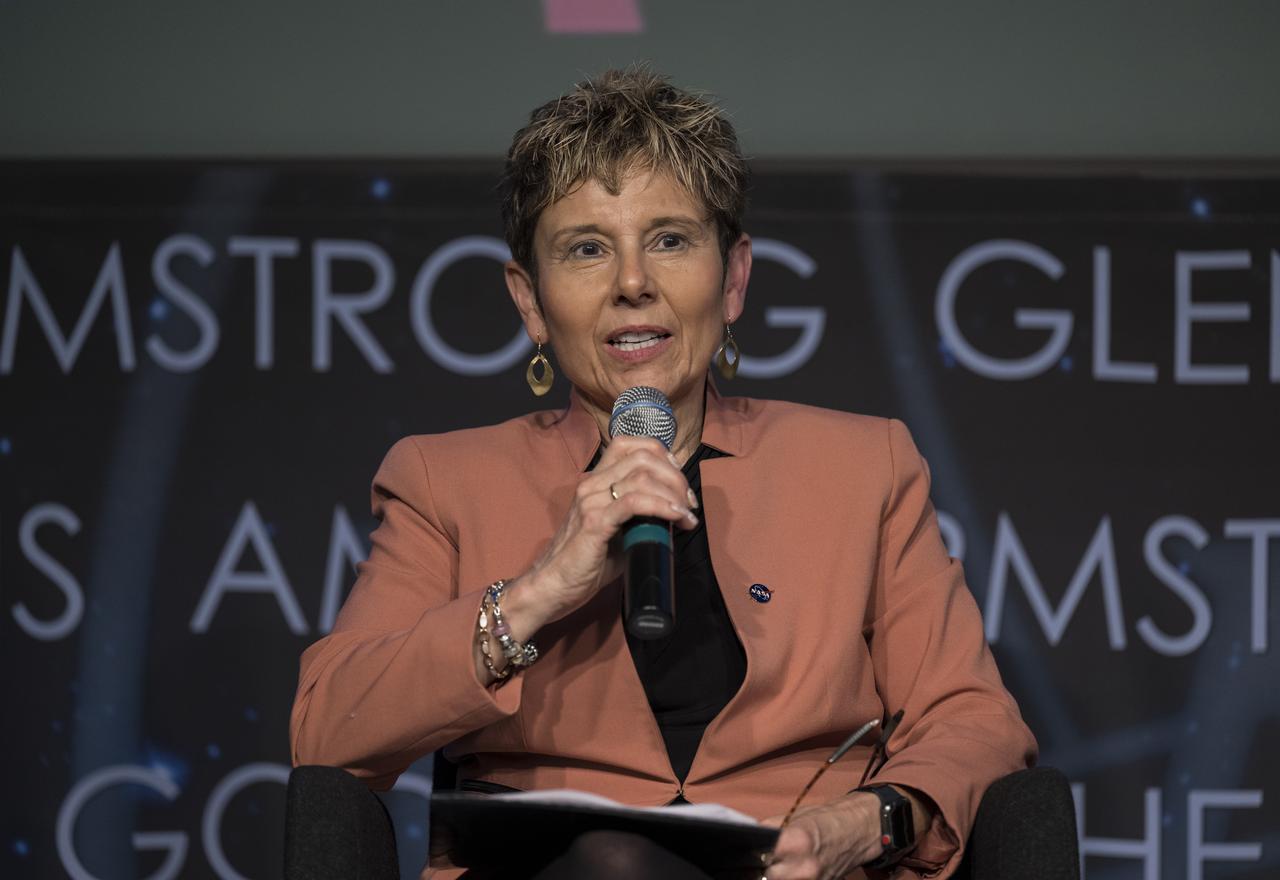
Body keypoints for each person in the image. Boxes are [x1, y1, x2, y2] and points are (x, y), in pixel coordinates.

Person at [290, 67, 1036, 880]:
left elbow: (975, 719)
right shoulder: (445, 480)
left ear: (734, 276)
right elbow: (328, 732)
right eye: (586, 249)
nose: (633, 283)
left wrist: (868, 821)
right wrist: (537, 592)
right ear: (530, 301)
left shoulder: (864, 466)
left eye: (671, 239)